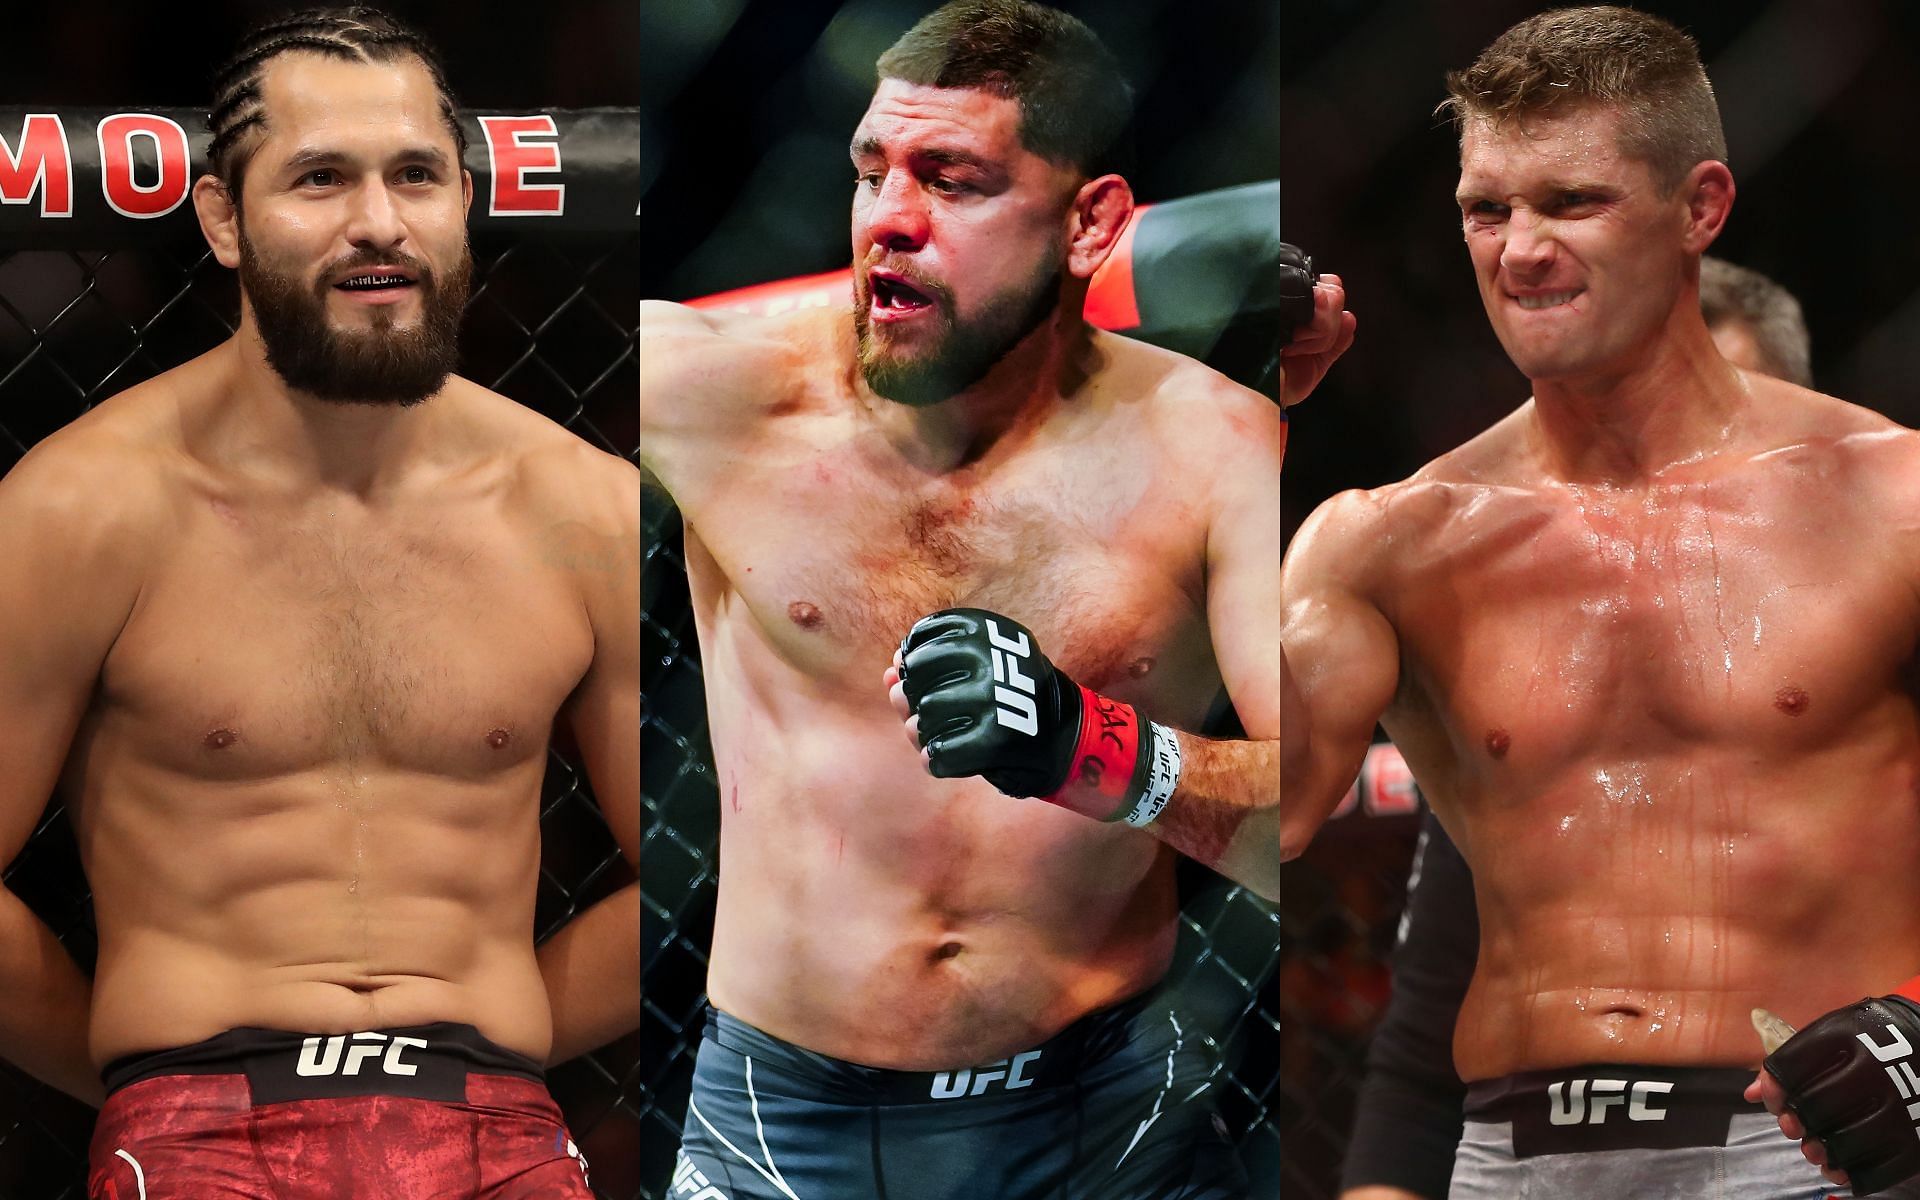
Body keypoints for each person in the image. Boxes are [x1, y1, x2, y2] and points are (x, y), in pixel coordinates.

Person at [641, 2, 1347, 1196]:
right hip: (779, 1124)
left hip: (1108, 1116)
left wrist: (1098, 753)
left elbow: (1312, 829)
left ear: (1092, 222)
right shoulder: (710, 395)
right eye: (872, 173)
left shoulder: (1209, 447)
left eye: (952, 180)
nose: (891, 222)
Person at [0, 8, 639, 1196]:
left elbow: (713, 876)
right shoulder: (80, 507)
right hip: (202, 1120)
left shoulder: (587, 509)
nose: (380, 223)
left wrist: (497, 1042)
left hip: (496, 1126)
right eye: (321, 180)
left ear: (463, 203)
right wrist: (141, 1074)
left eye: (416, 176)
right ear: (223, 220)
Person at [1283, 7, 1920, 1196]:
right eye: (1488, 210)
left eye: (1572, 202)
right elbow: (1243, 814)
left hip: (1805, 1152)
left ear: (1701, 207)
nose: (1520, 251)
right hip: (1507, 1156)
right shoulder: (1391, 538)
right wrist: (1222, 442)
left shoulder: (1892, 500)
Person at [1333, 255, 1819, 1200]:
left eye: (1712, 432)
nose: (1676, 482)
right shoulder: (1513, 701)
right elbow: (1421, 1059)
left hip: (1800, 1153)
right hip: (1521, 1158)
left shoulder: (1882, 669)